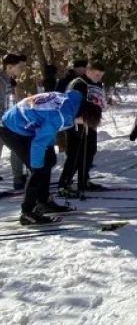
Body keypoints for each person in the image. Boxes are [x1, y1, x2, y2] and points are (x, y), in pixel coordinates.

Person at [0, 85, 103, 225]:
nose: (83, 125)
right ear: (84, 114)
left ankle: (43, 201)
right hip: (12, 129)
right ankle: (27, 212)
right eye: (85, 122)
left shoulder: (72, 102)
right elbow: (39, 143)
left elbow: (45, 126)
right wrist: (37, 166)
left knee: (49, 160)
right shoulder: (61, 115)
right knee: (39, 169)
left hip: (25, 125)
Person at [57, 61, 106, 197]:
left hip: (89, 122)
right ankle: (64, 184)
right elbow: (71, 103)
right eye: (97, 74)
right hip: (76, 122)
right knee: (75, 153)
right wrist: (80, 118)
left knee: (90, 150)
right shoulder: (79, 83)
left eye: (101, 75)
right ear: (88, 71)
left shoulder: (97, 84)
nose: (99, 77)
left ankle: (83, 179)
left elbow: (97, 102)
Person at [0, 54, 27, 187]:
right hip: (3, 122)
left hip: (6, 120)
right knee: (17, 146)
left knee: (17, 147)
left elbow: (8, 102)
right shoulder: (1, 80)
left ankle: (18, 178)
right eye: (19, 67)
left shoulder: (8, 80)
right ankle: (18, 178)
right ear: (9, 67)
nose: (20, 70)